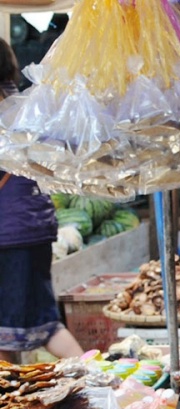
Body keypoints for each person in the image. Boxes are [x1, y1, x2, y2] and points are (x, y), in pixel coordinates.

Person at [0, 38, 84, 362]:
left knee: (43, 326)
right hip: (33, 227)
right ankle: (11, 404)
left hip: (10, 235)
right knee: (16, 324)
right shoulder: (24, 107)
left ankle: (94, 380)